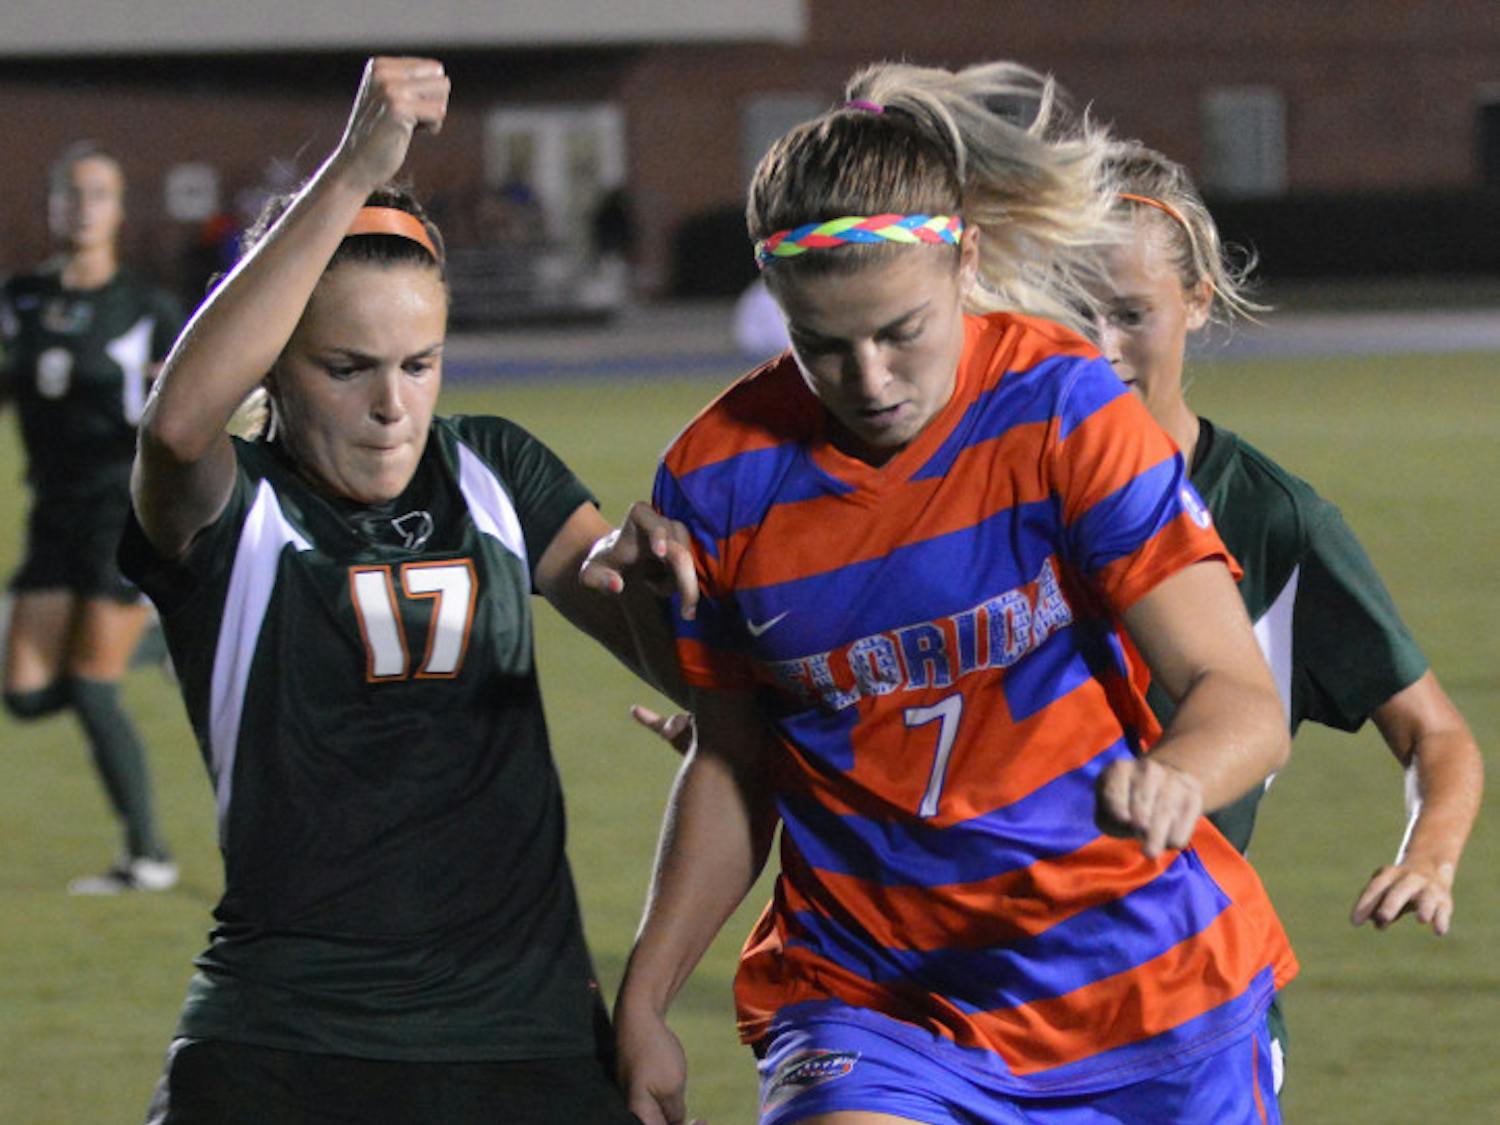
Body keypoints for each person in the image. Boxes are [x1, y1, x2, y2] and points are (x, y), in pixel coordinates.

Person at [610, 61, 1300, 1125]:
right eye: (823, 348)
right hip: (877, 1002)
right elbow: (734, 761)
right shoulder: (715, 476)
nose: (870, 382)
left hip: (1139, 990)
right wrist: (647, 996)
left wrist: (1180, 774)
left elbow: (1236, 694)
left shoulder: (1064, 412)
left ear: (965, 265)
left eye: (901, 334)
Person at [126, 57, 678, 1124]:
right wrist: (353, 170)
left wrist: (672, 598)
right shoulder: (235, 512)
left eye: (419, 365)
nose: (394, 406)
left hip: (530, 1037)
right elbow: (176, 427)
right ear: (273, 368)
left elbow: (688, 667)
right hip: (287, 1039)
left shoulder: (497, 471)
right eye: (348, 368)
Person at [1092, 138, 1485, 1089]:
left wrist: (1427, 858)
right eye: (1071, 313)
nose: (1099, 345)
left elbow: (1438, 734)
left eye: (1131, 312)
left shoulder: (1273, 519)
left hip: (1190, 983)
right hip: (994, 976)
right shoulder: (996, 493)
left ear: (1197, 302)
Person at [0, 141, 186, 894]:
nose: (84, 207)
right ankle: (160, 642)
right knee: (26, 694)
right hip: (51, 509)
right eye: (71, 194)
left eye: (99, 193)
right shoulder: (20, 300)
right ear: (52, 205)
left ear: (117, 208)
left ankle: (149, 857)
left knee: (91, 686)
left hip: (117, 508)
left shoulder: (148, 309)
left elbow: (198, 405)